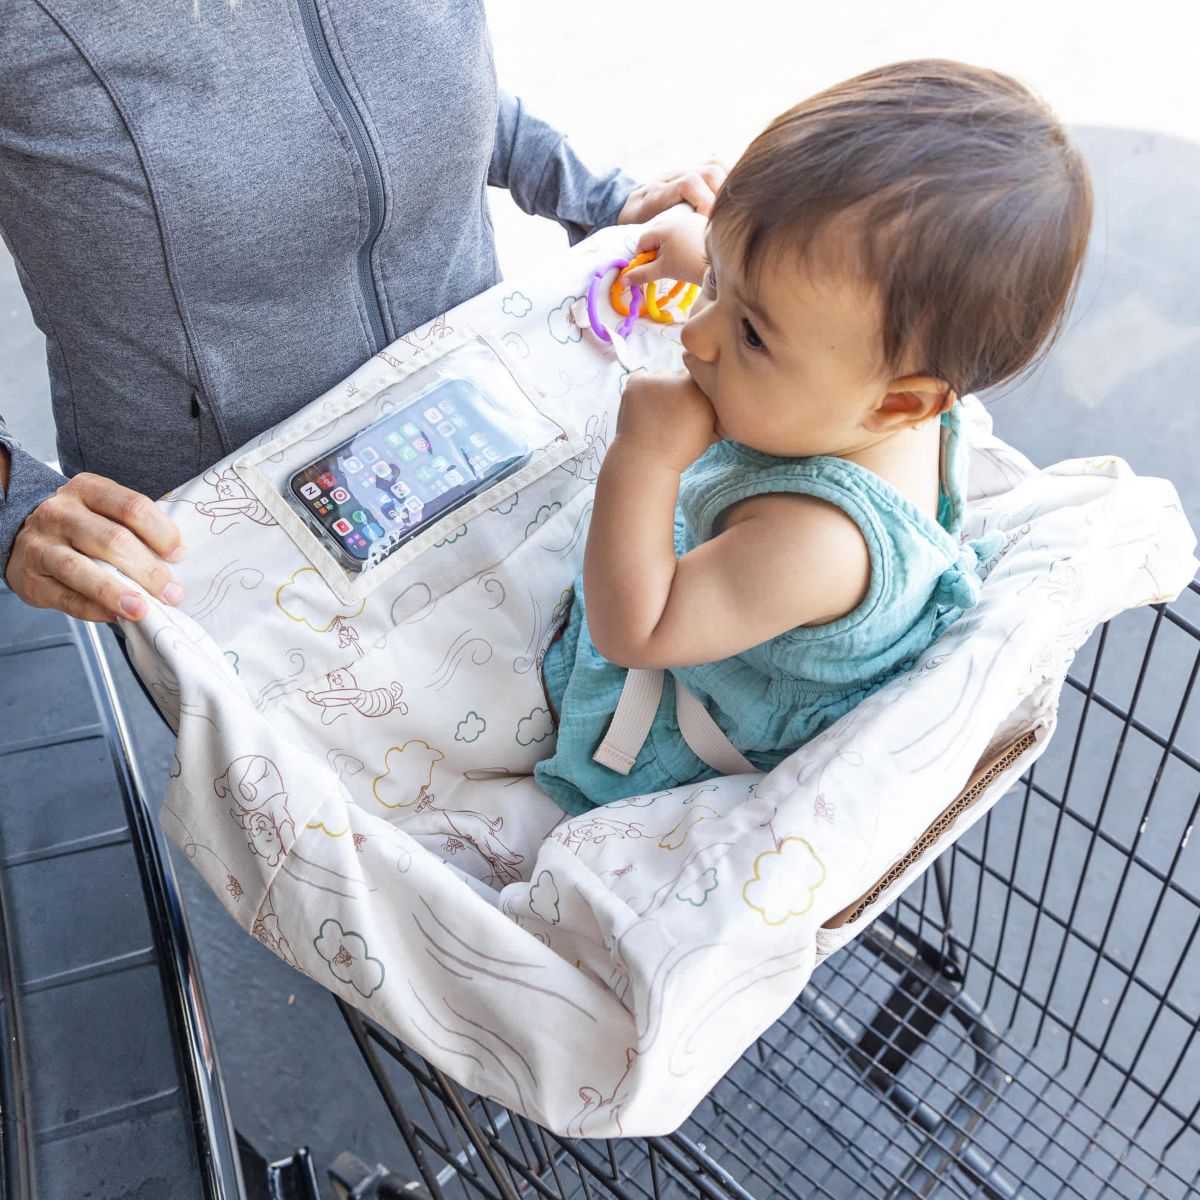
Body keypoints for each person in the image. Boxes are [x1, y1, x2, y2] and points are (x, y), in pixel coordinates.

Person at [0, 0, 722, 624]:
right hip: (231, 571)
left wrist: (601, 199)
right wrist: (13, 497)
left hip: (487, 445)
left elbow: (403, 86)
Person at [533, 59, 1093, 815]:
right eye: (719, 282)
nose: (696, 335)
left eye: (751, 333)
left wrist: (646, 457)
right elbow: (814, 305)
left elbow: (636, 629)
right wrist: (720, 260)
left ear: (901, 404)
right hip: (728, 606)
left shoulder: (817, 543)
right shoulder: (878, 390)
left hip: (666, 725)